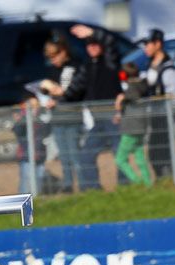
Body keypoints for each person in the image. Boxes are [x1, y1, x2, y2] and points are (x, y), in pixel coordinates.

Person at [41, 25, 121, 192]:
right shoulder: (87, 66)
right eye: (88, 44)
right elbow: (75, 88)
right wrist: (58, 99)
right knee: (85, 154)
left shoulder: (110, 61)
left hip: (112, 115)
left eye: (95, 44)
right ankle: (91, 189)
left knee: (119, 155)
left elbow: (111, 42)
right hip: (96, 119)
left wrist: (92, 33)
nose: (91, 47)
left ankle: (125, 186)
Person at [141, 29, 175, 180]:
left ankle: (168, 180)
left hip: (165, 117)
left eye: (148, 44)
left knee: (161, 152)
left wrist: (171, 114)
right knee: (154, 153)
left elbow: (174, 93)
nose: (146, 48)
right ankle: (163, 180)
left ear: (158, 44)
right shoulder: (150, 64)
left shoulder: (167, 67)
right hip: (155, 117)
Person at [42, 37, 80, 192]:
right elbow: (49, 89)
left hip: (71, 116)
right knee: (63, 155)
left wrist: (58, 95)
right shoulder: (54, 70)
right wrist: (46, 90)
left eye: (55, 56)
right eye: (50, 58)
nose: (53, 60)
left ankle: (84, 183)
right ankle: (68, 184)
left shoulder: (75, 67)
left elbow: (75, 90)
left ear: (63, 52)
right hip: (57, 117)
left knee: (74, 153)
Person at [114, 63, 152, 186]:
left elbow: (127, 100)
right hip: (141, 127)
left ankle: (137, 181)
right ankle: (148, 183)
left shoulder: (132, 88)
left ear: (125, 75)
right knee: (139, 157)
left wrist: (120, 99)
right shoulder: (142, 85)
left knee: (120, 159)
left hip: (130, 129)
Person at [13, 96, 49, 194]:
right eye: (31, 106)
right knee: (26, 180)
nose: (34, 108)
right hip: (26, 156)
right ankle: (23, 204)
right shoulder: (21, 120)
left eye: (36, 105)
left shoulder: (41, 119)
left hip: (40, 155)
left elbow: (46, 132)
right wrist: (22, 119)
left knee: (39, 179)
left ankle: (37, 201)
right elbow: (17, 132)